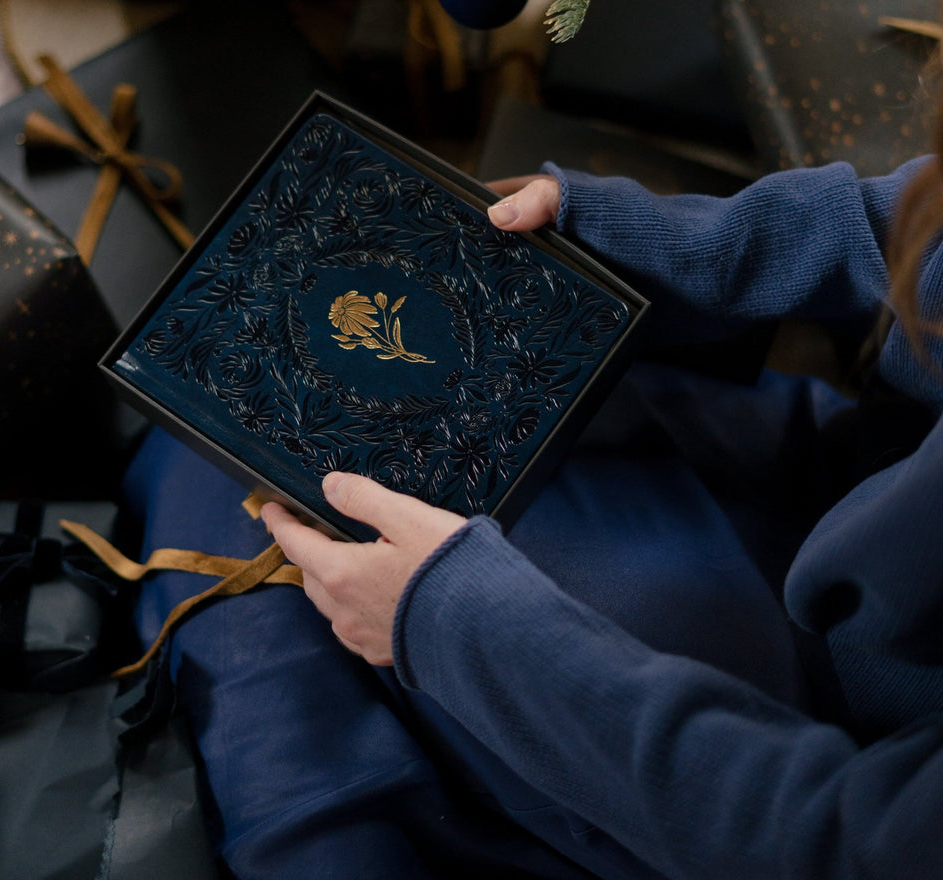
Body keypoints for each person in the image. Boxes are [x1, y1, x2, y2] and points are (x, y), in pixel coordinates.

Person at [124, 129, 943, 878]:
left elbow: (835, 842)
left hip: (782, 746)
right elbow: (898, 222)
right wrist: (621, 240)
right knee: (254, 424)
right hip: (844, 485)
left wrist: (451, 623)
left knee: (230, 466)